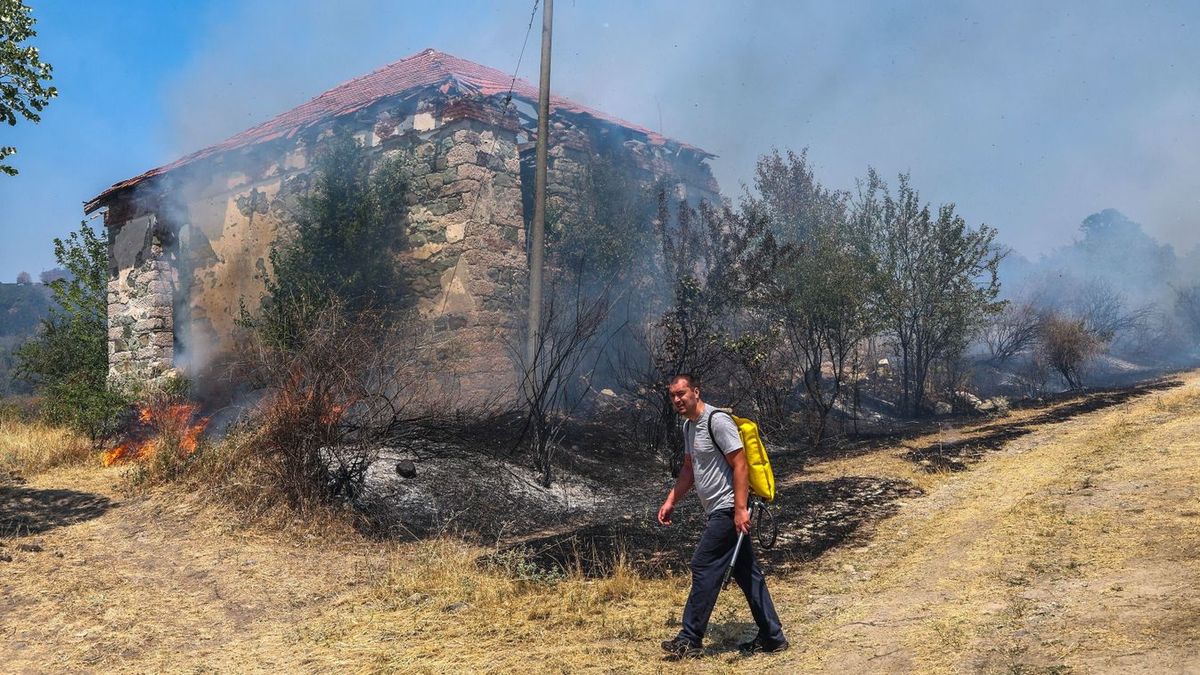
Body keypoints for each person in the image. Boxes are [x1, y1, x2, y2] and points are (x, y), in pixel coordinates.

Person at [658, 373, 788, 659]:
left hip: (728, 508)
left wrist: (740, 509)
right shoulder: (689, 427)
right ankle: (772, 637)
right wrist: (670, 501)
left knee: (702, 564)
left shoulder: (717, 421)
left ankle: (689, 638)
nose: (678, 399)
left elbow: (740, 464)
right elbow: (689, 469)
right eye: (673, 396)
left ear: (696, 391)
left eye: (682, 393)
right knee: (748, 573)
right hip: (720, 509)